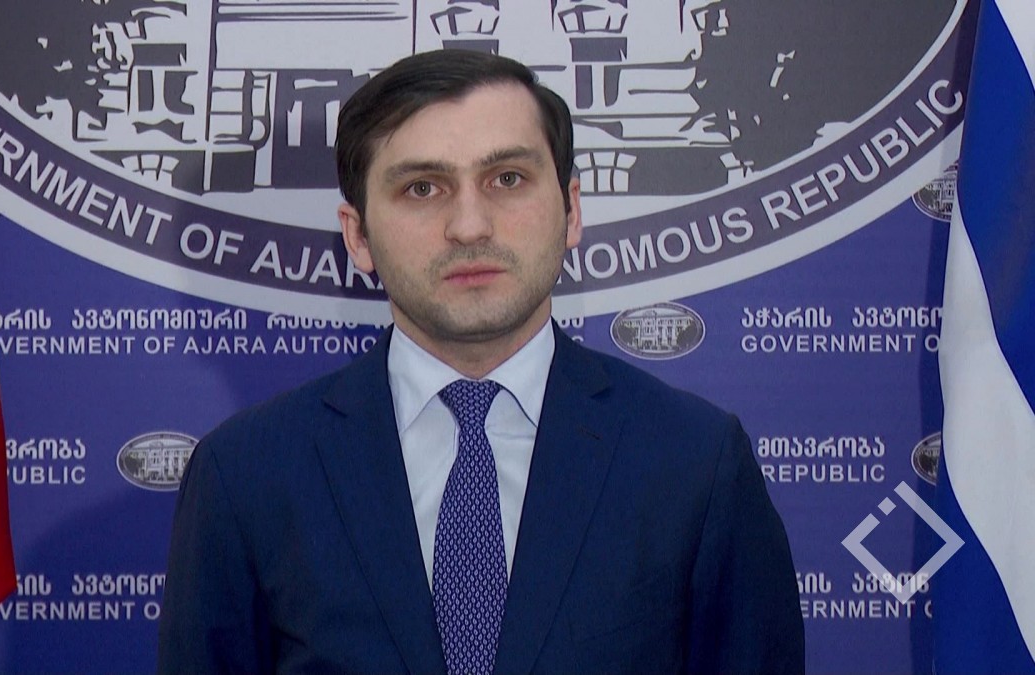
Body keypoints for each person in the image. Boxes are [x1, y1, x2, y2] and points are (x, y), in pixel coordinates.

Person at [157, 49, 804, 674]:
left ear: (572, 210)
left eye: (508, 179)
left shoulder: (695, 462)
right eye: (422, 188)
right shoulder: (244, 476)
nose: (469, 226)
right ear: (358, 236)